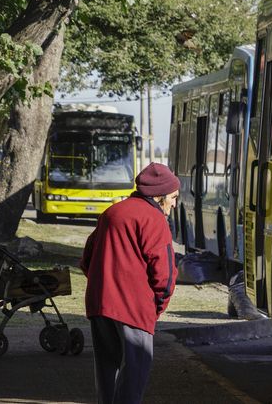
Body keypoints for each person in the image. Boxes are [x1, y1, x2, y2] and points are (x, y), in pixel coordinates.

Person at [80, 163, 179, 403]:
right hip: (134, 308)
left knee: (107, 369)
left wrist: (104, 285)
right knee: (135, 372)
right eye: (174, 198)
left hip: (100, 305)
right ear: (160, 195)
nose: (174, 204)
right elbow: (164, 274)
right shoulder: (154, 220)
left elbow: (87, 259)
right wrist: (157, 307)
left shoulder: (112, 213)